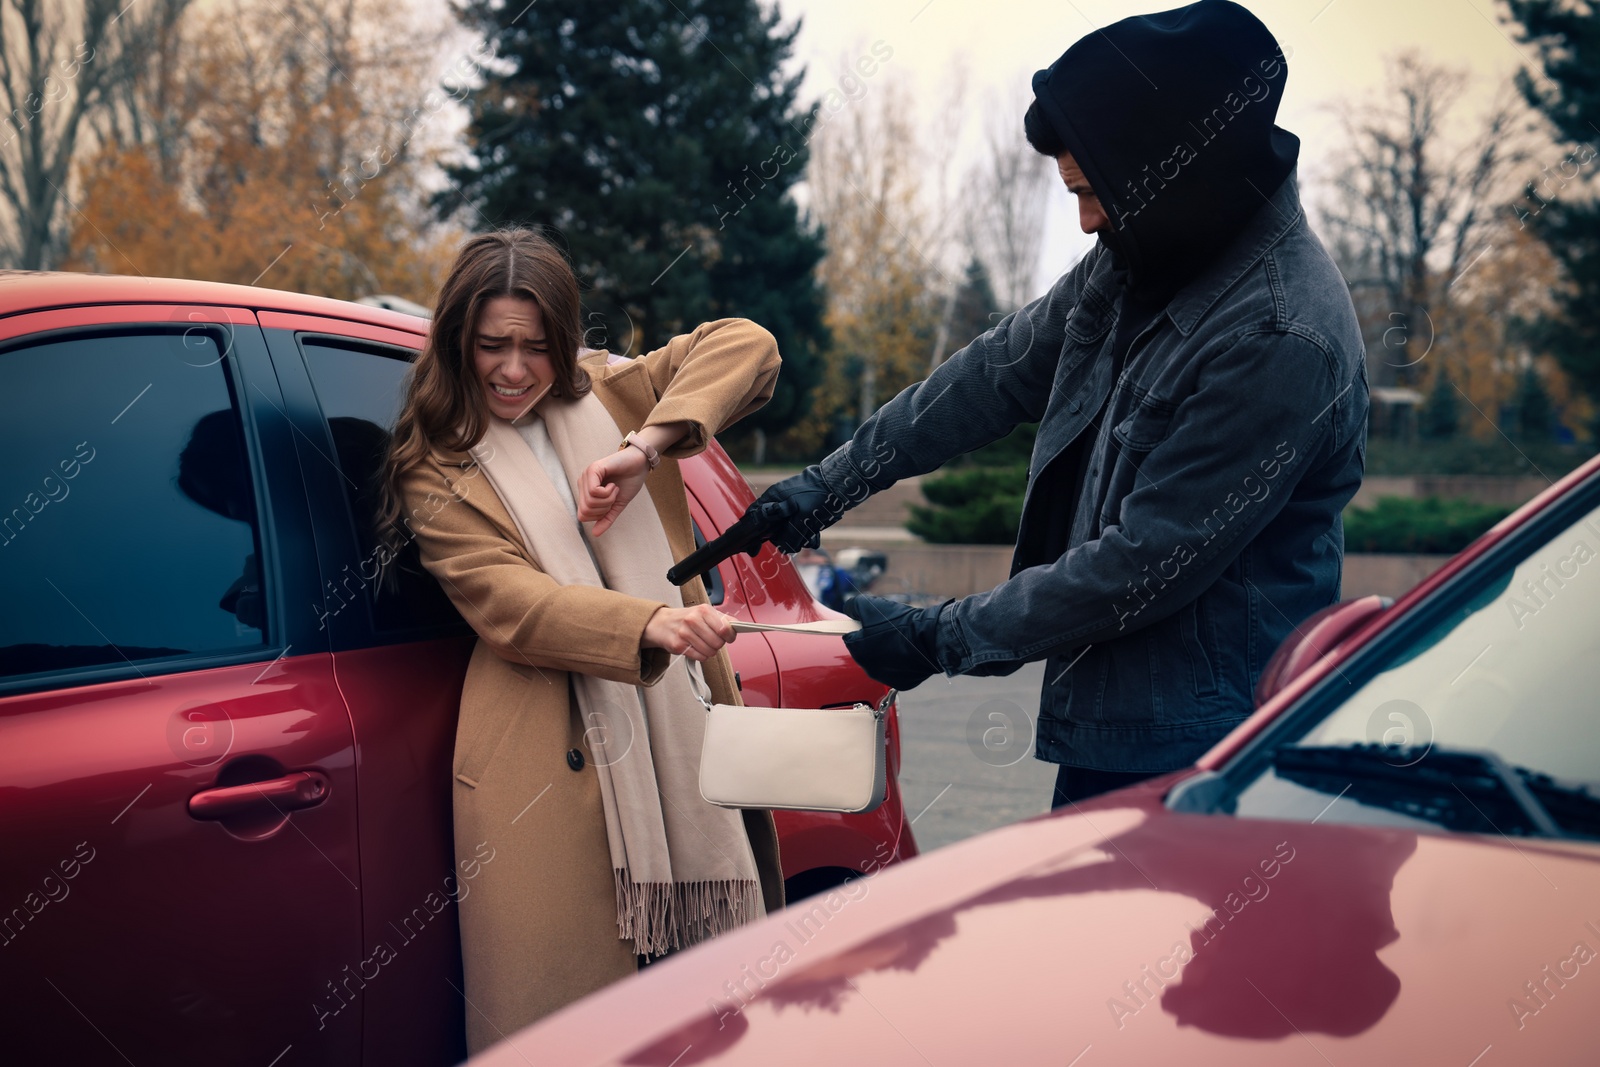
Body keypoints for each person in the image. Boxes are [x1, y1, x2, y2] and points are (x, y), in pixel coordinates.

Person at [747, 0, 1369, 810]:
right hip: (1119, 723)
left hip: (1206, 749)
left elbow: (1142, 562)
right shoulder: (1145, 248)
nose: (1084, 222)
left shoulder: (1280, 336)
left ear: (1172, 170)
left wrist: (935, 636)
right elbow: (995, 372)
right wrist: (822, 488)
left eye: (1092, 192)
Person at [376, 228, 784, 1053]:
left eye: (536, 347)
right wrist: (649, 622)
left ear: (563, 345)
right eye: (492, 345)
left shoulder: (607, 394)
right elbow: (510, 605)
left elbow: (751, 347)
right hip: (543, 763)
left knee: (701, 1020)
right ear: (459, 340)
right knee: (575, 1031)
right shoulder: (432, 462)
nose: (515, 370)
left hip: (678, 734)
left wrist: (643, 448)